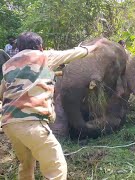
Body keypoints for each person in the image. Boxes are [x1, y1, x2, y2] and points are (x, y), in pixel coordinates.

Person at [0, 32, 100, 180]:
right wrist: (94, 47)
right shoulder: (43, 56)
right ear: (40, 46)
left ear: (19, 48)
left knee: (26, 164)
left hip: (9, 124)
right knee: (56, 166)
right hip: (32, 122)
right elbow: (74, 53)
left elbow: (2, 92)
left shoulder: (8, 65)